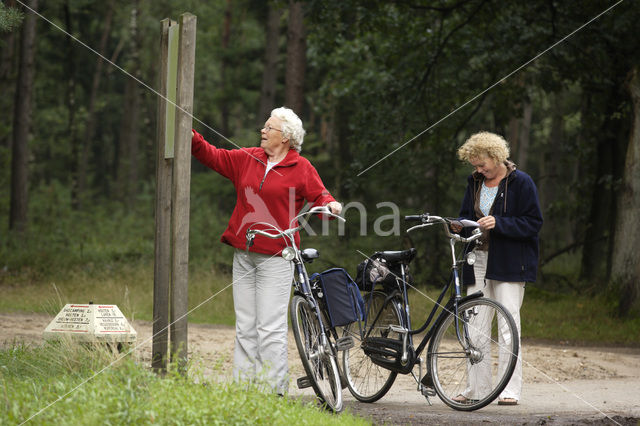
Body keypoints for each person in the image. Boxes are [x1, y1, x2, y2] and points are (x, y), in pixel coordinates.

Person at [191, 107, 342, 395]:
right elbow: (213, 155)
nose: (263, 131)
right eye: (264, 126)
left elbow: (321, 197)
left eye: (268, 128)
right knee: (245, 325)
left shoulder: (301, 168)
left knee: (270, 328)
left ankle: (273, 391)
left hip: (276, 257)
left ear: (285, 137)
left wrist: (331, 207)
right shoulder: (248, 158)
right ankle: (244, 390)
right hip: (245, 253)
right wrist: (191, 137)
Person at [453, 131, 543, 406]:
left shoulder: (521, 182)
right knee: (475, 326)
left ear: (496, 157)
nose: (478, 170)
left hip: (510, 261)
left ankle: (509, 389)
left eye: (482, 165)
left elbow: (532, 223)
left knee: (508, 324)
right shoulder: (475, 182)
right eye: (475, 166)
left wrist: (500, 224)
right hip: (476, 258)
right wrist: (459, 225)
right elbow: (467, 214)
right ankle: (476, 389)